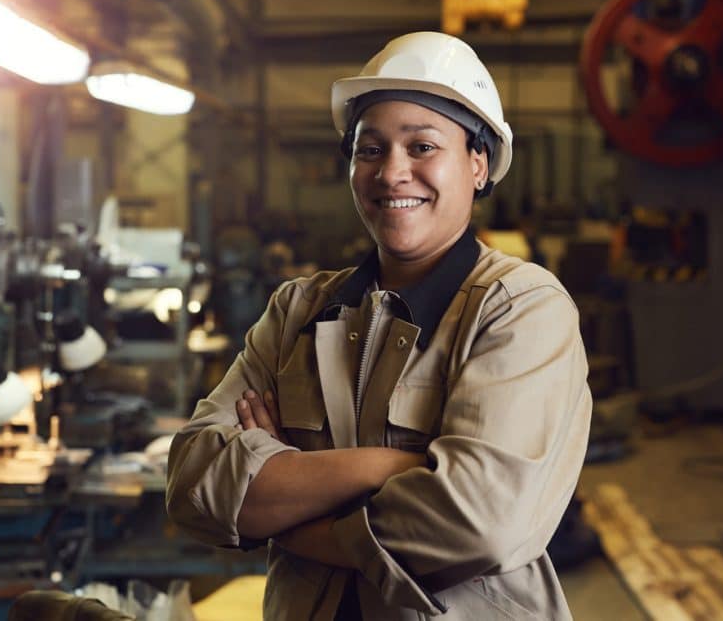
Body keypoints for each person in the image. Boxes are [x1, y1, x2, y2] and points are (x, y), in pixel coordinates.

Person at [166, 31, 592, 620]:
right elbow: (193, 484)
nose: (392, 172)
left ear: (478, 163)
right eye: (370, 149)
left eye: (422, 147)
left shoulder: (518, 308)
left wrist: (293, 514)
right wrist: (386, 466)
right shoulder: (299, 311)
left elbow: (479, 523)